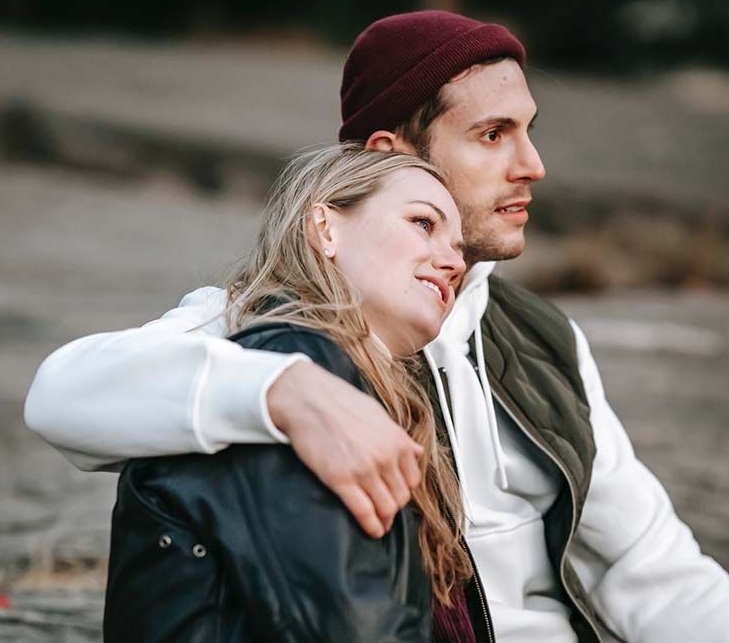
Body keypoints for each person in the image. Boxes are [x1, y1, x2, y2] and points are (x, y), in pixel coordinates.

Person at [25, 11, 729, 642]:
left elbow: (653, 571)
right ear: (390, 154)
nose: (533, 165)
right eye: (491, 135)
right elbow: (62, 395)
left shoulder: (544, 340)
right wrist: (284, 389)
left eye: (528, 131)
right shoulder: (269, 328)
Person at [103, 144, 476, 642]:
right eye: (423, 223)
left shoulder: (346, 378)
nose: (453, 262)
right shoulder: (295, 364)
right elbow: (348, 626)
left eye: (460, 248)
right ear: (325, 228)